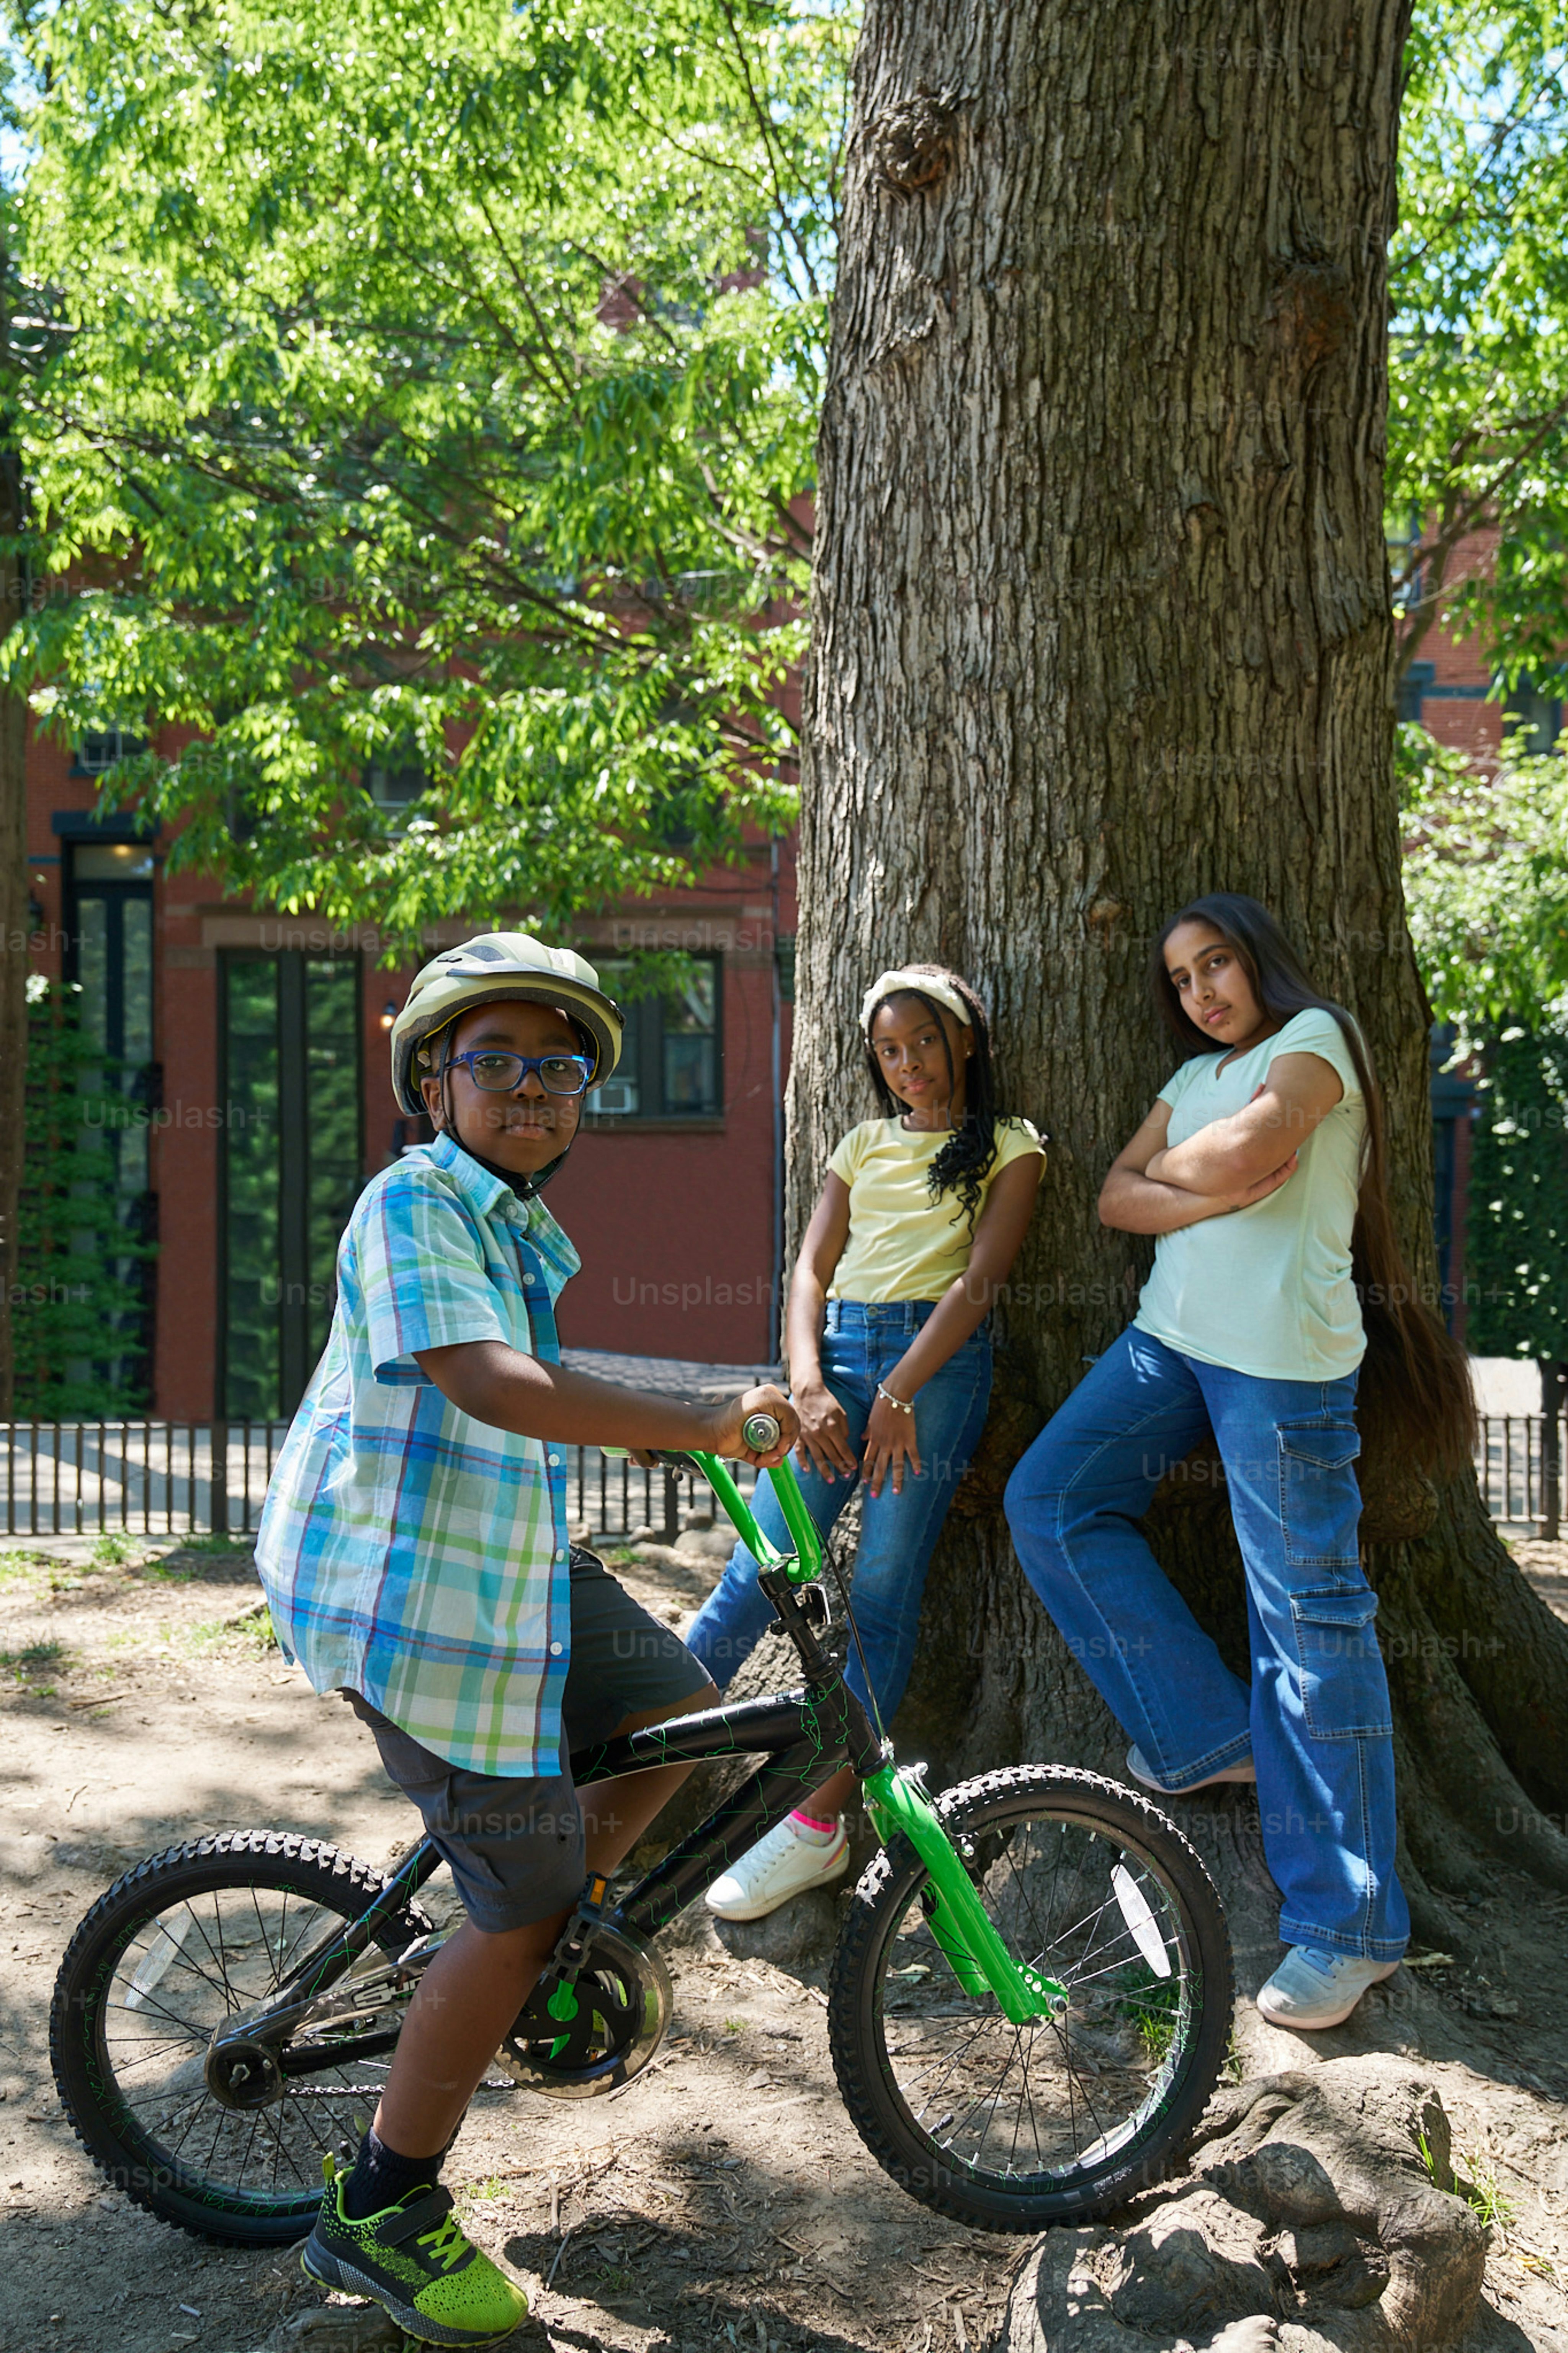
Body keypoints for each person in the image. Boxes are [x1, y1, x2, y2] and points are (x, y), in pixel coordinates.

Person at [254, 933, 796, 2348]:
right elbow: (495, 1383)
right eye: (493, 1061)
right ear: (433, 1077)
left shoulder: (504, 1221)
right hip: (410, 1598)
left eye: (557, 1066)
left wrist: (711, 1405)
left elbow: (554, 1384)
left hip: (507, 1569)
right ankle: (381, 2206)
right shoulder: (411, 1204)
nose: (530, 1088)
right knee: (522, 1899)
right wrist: (688, 1419)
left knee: (678, 1701)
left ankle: (544, 1929)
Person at [1004, 895, 1473, 2031]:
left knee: (1310, 1621)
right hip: (1166, 1345)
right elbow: (1117, 1193)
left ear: (1261, 959)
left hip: (1281, 1369)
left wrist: (1192, 1175)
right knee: (1052, 1499)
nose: (1201, 990)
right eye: (1180, 979)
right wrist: (1203, 1180)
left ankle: (1349, 1927)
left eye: (1216, 964)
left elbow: (1264, 1148)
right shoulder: (1195, 1080)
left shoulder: (1315, 1041)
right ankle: (1205, 1735)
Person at [685, 964, 1045, 1919]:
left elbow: (978, 1283)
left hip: (933, 1375)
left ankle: (815, 1826)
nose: (907, 1064)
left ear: (964, 1041)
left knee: (881, 1596)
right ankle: (651, 1752)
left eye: (923, 1042)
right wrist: (807, 1384)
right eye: (888, 1050)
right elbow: (809, 1269)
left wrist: (898, 1391)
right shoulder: (859, 1145)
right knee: (757, 1568)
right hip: (835, 1366)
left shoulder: (1010, 1148)